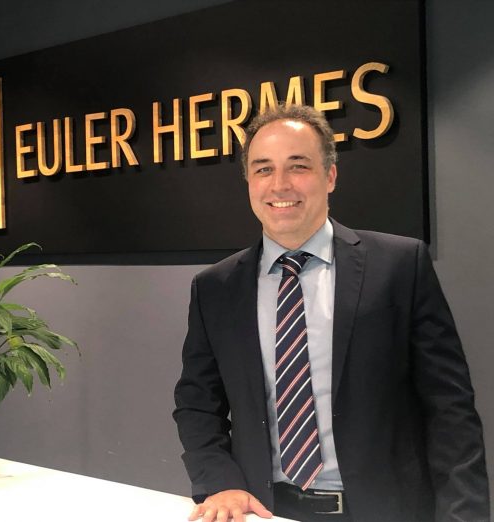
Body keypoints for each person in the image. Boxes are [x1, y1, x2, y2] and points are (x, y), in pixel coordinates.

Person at [172, 104, 489, 522]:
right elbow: (197, 404)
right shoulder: (215, 287)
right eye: (263, 169)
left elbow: (450, 409)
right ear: (248, 181)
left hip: (384, 511)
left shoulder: (399, 265)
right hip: (266, 512)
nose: (280, 184)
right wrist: (220, 481)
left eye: (298, 166)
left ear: (331, 176)